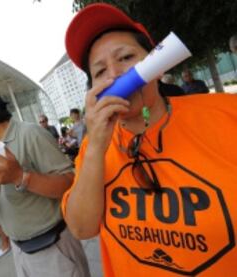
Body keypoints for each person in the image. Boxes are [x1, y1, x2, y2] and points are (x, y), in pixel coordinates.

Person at [61, 3, 237, 276]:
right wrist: (96, 146)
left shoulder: (227, 113)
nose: (115, 74)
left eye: (126, 57)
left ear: (156, 63)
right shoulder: (93, 149)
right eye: (99, 71)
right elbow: (82, 228)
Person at [0, 87, 90, 277]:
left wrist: (21, 177)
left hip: (53, 249)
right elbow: (5, 196)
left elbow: (70, 183)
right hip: (20, 251)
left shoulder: (30, 134)